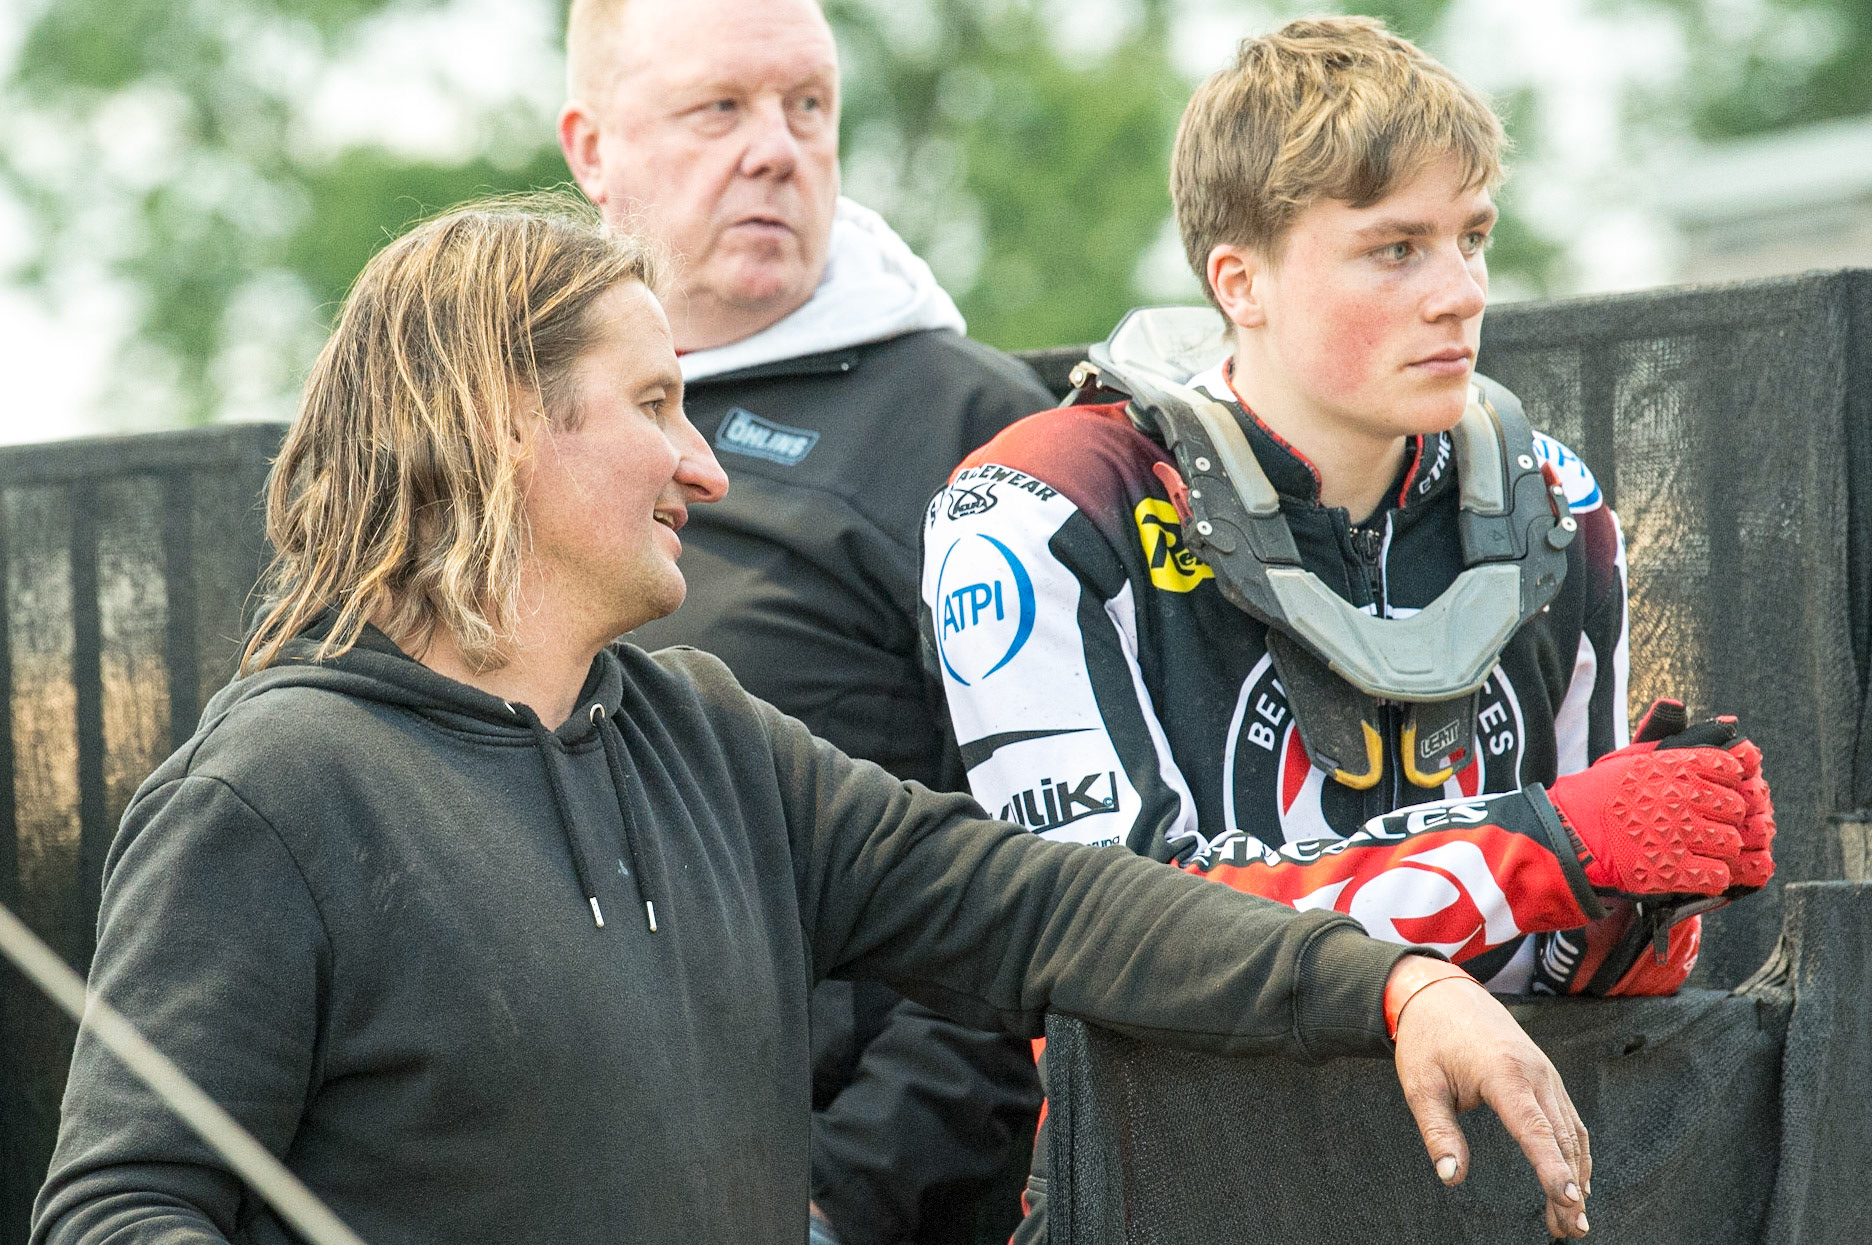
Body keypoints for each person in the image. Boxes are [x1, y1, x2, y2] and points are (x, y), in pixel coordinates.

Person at [33, 197, 1595, 1244]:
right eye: (655, 409)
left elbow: (1045, 909)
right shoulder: (272, 792)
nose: (708, 471)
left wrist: (1386, 986)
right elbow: (119, 1210)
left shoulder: (706, 734)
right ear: (499, 429)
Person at [918, 16, 1776, 1237]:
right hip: (1181, 1180)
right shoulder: (1041, 506)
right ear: (1240, 282)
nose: (1462, 291)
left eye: (1472, 237)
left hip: (1490, 1181)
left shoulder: (1557, 504)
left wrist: (1645, 909)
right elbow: (1108, 938)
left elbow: (1560, 954)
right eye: (1396, 249)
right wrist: (1539, 853)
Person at [555, 2, 1056, 1241]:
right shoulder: (504, 413)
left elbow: (1040, 875)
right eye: (718, 108)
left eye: (808, 106)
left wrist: (840, 1203)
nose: (776, 148)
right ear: (591, 148)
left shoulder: (976, 433)